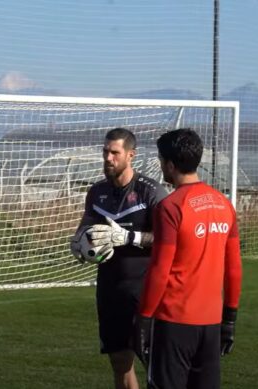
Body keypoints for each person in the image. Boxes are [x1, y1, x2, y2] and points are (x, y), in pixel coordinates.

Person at [135, 128, 243, 389]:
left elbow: (161, 269)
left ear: (170, 165)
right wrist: (229, 319)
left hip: (174, 322)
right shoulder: (223, 204)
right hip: (211, 322)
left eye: (161, 161)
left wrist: (144, 319)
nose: (161, 166)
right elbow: (234, 269)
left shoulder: (171, 207)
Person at [69, 128, 168, 389]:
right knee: (120, 363)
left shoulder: (150, 192)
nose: (108, 158)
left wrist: (129, 238)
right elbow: (85, 227)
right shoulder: (97, 192)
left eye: (115, 153)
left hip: (146, 290)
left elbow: (168, 240)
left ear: (130, 155)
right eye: (105, 152)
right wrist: (78, 243)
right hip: (110, 289)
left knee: (155, 365)